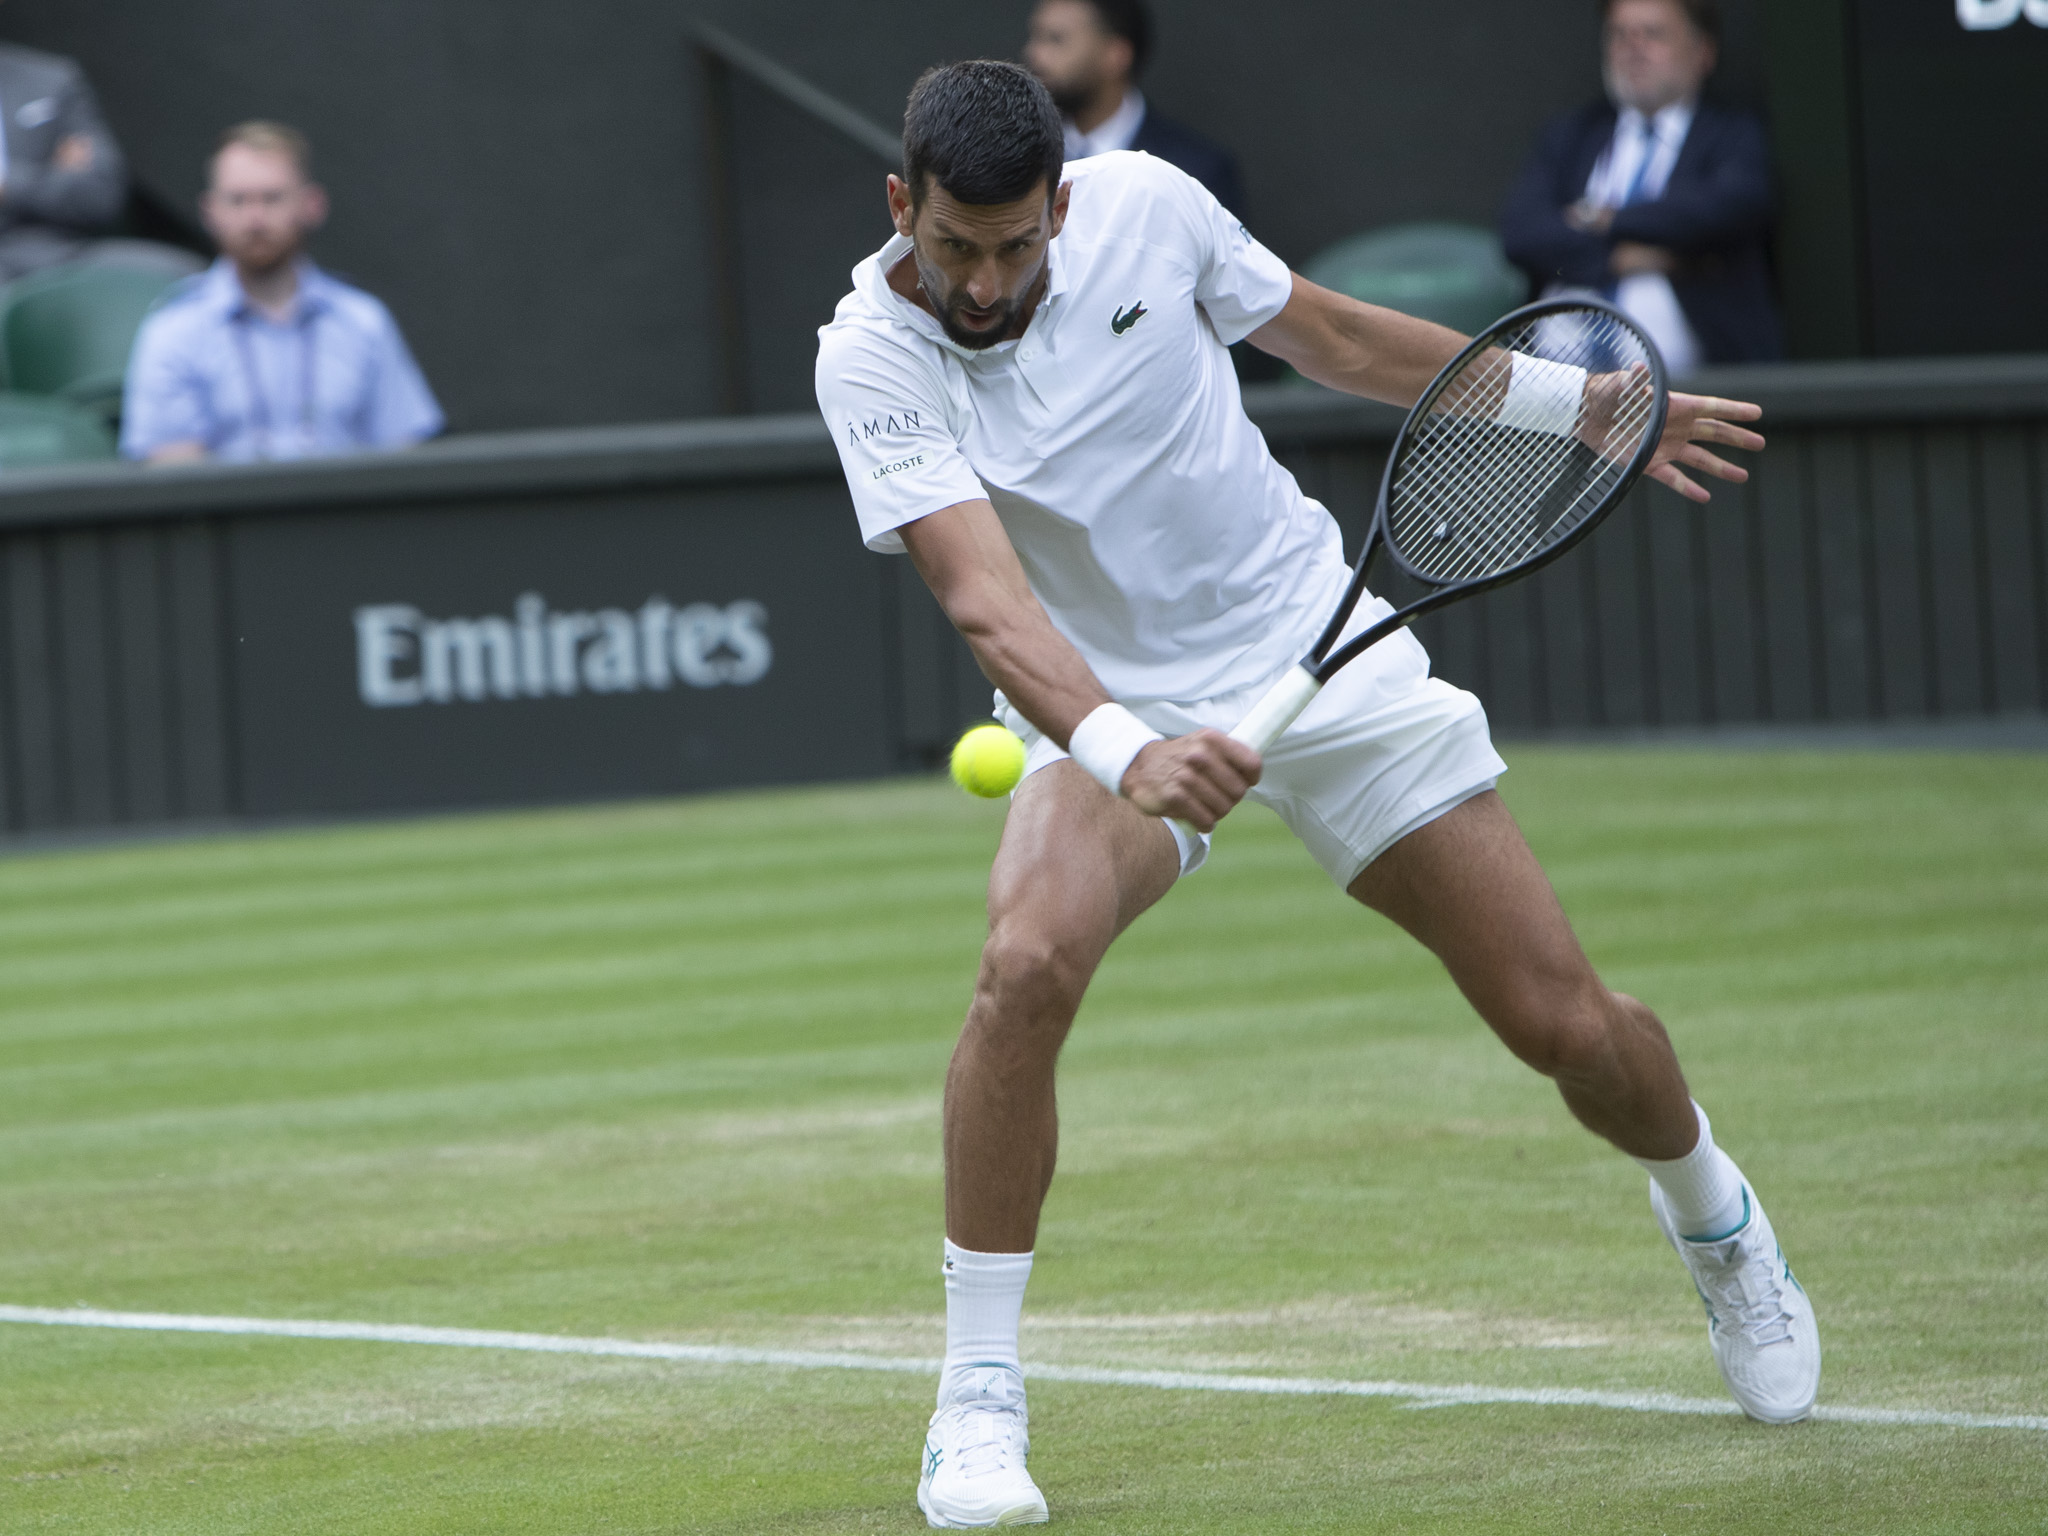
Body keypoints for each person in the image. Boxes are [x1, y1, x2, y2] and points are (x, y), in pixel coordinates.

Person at [816, 61, 1817, 1529]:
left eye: (1014, 246)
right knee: (1023, 965)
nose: (982, 282)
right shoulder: (867, 358)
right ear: (902, 206)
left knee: (1560, 1022)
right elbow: (987, 605)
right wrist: (1125, 751)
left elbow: (1335, 337)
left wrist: (1578, 410)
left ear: (1062, 209)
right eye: (955, 246)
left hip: (1311, 640)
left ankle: (1716, 1220)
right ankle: (975, 1397)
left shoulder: (1150, 208)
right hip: (1104, 698)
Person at [121, 122, 442, 464]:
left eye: (272, 198)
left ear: (312, 205)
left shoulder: (364, 322)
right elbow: (173, 475)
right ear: (210, 211)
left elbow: (404, 460)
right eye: (237, 200)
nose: (255, 219)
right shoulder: (174, 331)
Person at [1498, 0, 1782, 372]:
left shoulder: (1731, 134)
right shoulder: (1574, 134)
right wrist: (1626, 257)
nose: (1634, 47)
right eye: (1620, 35)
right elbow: (1522, 232)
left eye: (1653, 34)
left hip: (1689, 384)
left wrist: (1602, 219)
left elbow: (1724, 207)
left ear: (1703, 52)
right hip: (1554, 385)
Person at [1024, 0, 1243, 216]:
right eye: (1035, 36)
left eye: (1056, 39)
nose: (1034, 54)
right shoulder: (1021, 152)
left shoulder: (1193, 171)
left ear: (1116, 54)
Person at [0, 40, 128, 281]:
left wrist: (9, 184)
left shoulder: (49, 80)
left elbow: (99, 192)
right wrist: (50, 174)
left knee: (160, 269)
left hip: (48, 252)